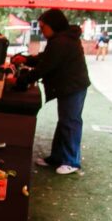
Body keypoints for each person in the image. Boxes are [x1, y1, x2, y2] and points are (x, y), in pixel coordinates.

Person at [12, 9, 90, 175]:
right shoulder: (61, 39)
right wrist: (27, 59)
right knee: (65, 122)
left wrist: (21, 80)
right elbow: (46, 58)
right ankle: (57, 157)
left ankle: (71, 161)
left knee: (70, 122)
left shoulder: (62, 42)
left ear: (53, 25)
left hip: (73, 86)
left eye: (43, 27)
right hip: (69, 86)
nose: (42, 31)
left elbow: (44, 67)